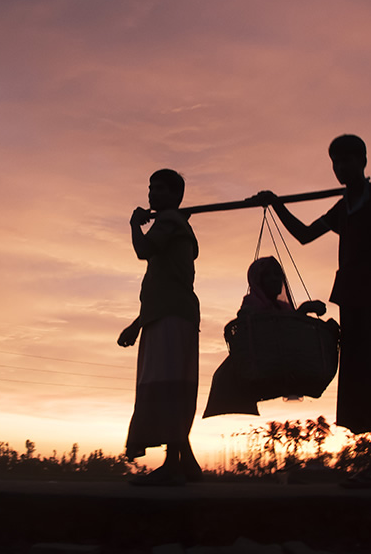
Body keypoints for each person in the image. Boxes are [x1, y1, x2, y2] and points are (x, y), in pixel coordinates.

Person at [255, 134, 371, 488]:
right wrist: (276, 204)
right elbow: (306, 235)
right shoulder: (344, 207)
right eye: (335, 162)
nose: (341, 168)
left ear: (363, 161)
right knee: (362, 376)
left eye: (347, 161)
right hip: (352, 301)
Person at [117, 169, 202, 486]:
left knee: (166, 384)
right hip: (166, 313)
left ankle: (172, 465)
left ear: (175, 195)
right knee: (170, 383)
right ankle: (187, 463)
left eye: (160, 189)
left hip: (171, 316)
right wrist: (137, 324)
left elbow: (143, 251)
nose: (152, 194)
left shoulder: (169, 223)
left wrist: (134, 225)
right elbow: (164, 284)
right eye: (150, 188)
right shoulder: (175, 223)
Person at [202, 256, 327, 418]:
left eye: (277, 275)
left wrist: (302, 312)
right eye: (269, 275)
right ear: (258, 281)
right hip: (264, 365)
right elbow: (267, 335)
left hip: (284, 366)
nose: (275, 279)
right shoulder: (250, 307)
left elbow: (288, 335)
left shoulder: (283, 308)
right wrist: (300, 313)